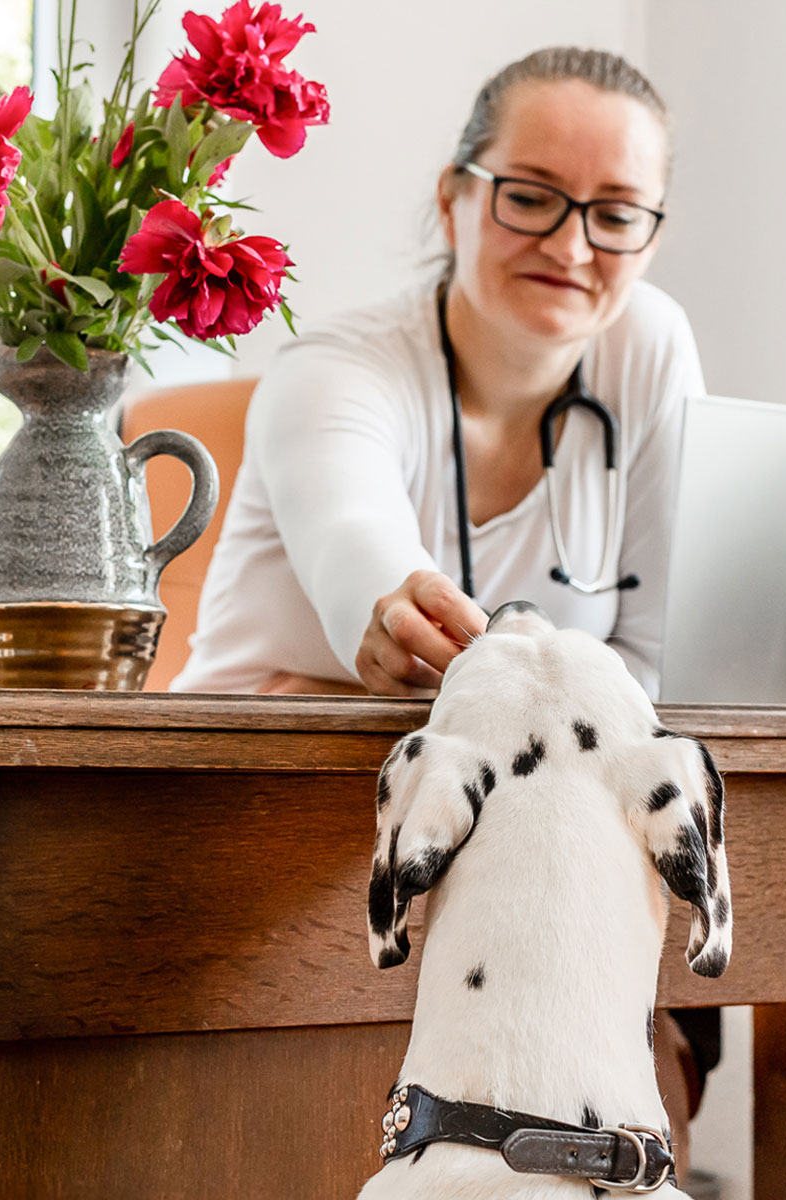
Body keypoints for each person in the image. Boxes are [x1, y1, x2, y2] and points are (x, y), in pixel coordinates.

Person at [173, 45, 714, 1176]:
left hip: (519, 859)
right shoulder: (335, 368)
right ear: (455, 194)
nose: (571, 245)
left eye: (616, 214)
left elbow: (667, 652)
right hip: (244, 839)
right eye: (530, 197)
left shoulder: (651, 346)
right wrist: (386, 602)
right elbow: (358, 557)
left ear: (652, 233)